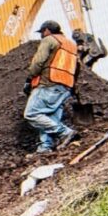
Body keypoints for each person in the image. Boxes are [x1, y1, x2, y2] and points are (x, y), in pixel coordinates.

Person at [23, 20, 79, 153]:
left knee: (32, 113)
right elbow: (77, 67)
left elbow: (38, 61)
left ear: (47, 30)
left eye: (42, 32)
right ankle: (45, 147)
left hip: (49, 82)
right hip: (65, 85)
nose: (41, 35)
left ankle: (65, 132)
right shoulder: (71, 44)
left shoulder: (49, 40)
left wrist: (29, 78)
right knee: (49, 117)